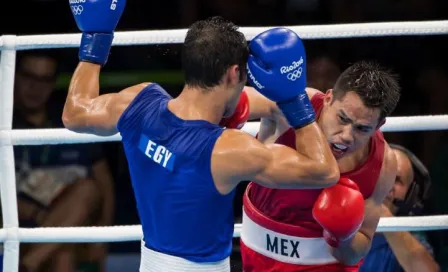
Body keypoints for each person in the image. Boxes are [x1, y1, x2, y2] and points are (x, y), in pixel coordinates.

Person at [64, 1, 339, 271]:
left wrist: (95, 39)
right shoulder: (227, 150)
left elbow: (75, 113)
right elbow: (324, 171)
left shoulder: (136, 102)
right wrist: (296, 101)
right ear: (234, 74)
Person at [240, 60, 401, 271]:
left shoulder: (382, 164)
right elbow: (233, 101)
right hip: (261, 255)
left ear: (378, 126)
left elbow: (355, 253)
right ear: (329, 98)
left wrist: (341, 237)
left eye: (362, 129)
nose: (346, 136)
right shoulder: (296, 106)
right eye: (342, 118)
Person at [10, 51, 114, 272]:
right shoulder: (3, 125)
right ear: (14, 76)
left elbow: (103, 183)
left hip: (72, 230)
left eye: (44, 80)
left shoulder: (72, 122)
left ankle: (25, 266)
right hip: (18, 231)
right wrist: (40, 216)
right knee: (61, 250)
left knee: (86, 190)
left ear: (53, 83)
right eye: (29, 77)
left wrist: (101, 238)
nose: (35, 87)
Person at [360, 144, 439, 272]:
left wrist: (383, 213)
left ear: (410, 194)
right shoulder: (336, 223)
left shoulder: (413, 236)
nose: (386, 184)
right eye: (381, 174)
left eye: (397, 179)